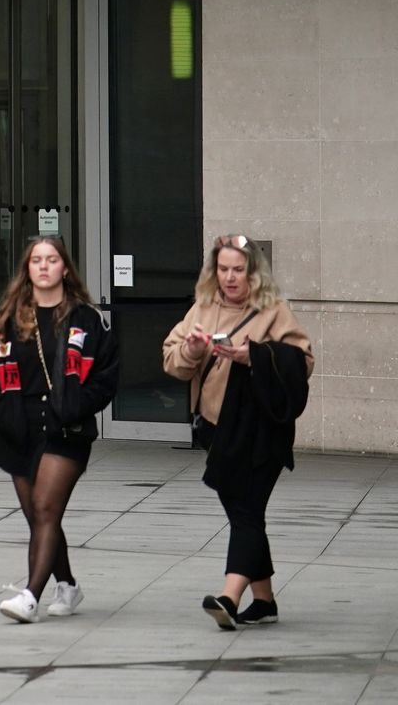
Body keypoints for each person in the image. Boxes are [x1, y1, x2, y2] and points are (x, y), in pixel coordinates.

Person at [162, 233, 313, 629]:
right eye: (223, 269)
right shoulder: (203, 309)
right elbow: (172, 362)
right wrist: (194, 351)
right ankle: (263, 601)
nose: (230, 278)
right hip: (218, 429)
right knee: (245, 514)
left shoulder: (273, 311)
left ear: (253, 273)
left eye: (238, 270)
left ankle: (229, 596)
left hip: (263, 431)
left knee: (246, 512)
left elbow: (303, 362)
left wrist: (255, 357)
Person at [0, 235, 119, 623]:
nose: (45, 266)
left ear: (65, 268)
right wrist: (0, 410)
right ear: (27, 269)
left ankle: (30, 597)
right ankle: (66, 584)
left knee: (46, 508)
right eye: (37, 260)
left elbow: (106, 376)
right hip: (18, 427)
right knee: (38, 516)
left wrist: (77, 406)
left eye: (52, 259)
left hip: (67, 429)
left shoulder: (88, 320)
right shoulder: (2, 321)